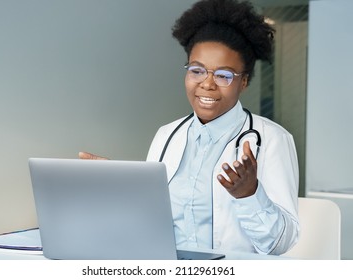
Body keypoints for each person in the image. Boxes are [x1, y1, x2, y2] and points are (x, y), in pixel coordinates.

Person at [80, 0, 299, 255]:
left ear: (244, 82)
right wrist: (119, 186)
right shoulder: (166, 135)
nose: (207, 84)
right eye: (197, 71)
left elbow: (280, 244)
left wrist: (249, 195)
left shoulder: (272, 139)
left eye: (224, 75)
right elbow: (151, 220)